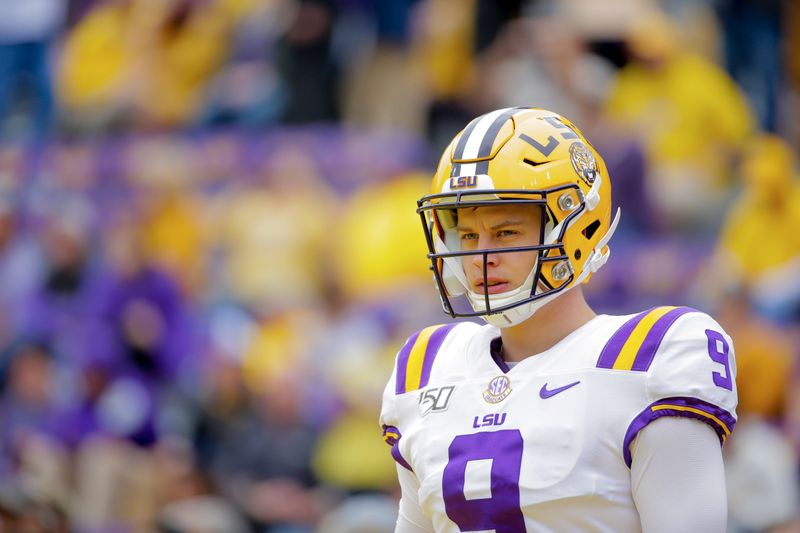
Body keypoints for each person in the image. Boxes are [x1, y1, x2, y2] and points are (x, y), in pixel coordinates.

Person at [379, 107, 738, 532]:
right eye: (469, 236)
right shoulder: (427, 366)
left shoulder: (651, 356)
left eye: (507, 232)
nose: (480, 256)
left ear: (576, 227)